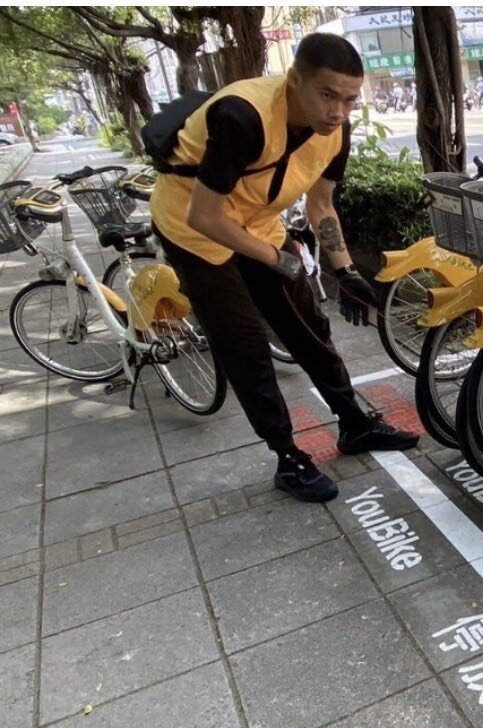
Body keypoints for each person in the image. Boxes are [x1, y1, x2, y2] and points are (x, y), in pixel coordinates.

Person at [149, 32, 418, 504]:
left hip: (258, 223)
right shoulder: (243, 115)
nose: (337, 111)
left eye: (350, 100)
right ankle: (287, 457)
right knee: (246, 345)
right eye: (327, 94)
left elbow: (321, 202)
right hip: (195, 229)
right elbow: (204, 216)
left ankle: (354, 424)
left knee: (309, 327)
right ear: (295, 81)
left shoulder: (337, 130)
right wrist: (278, 260)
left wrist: (346, 269)